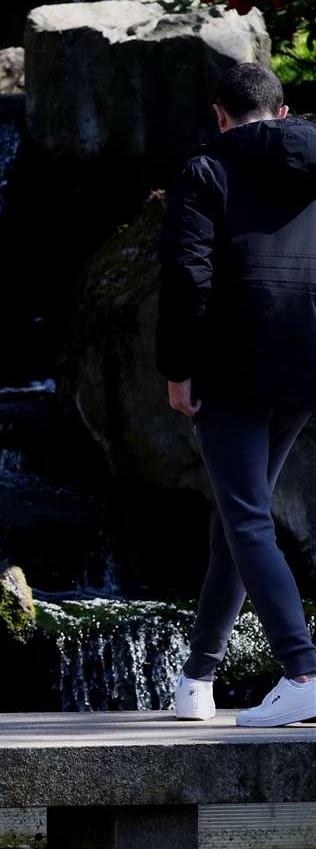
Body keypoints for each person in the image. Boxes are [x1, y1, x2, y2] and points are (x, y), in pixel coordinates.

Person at [159, 62, 316, 727]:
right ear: (281, 113)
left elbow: (187, 275)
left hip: (233, 365)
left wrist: (177, 367)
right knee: (234, 519)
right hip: (307, 363)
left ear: (220, 115)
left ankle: (303, 669)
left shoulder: (205, 171)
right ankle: (198, 679)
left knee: (247, 519)